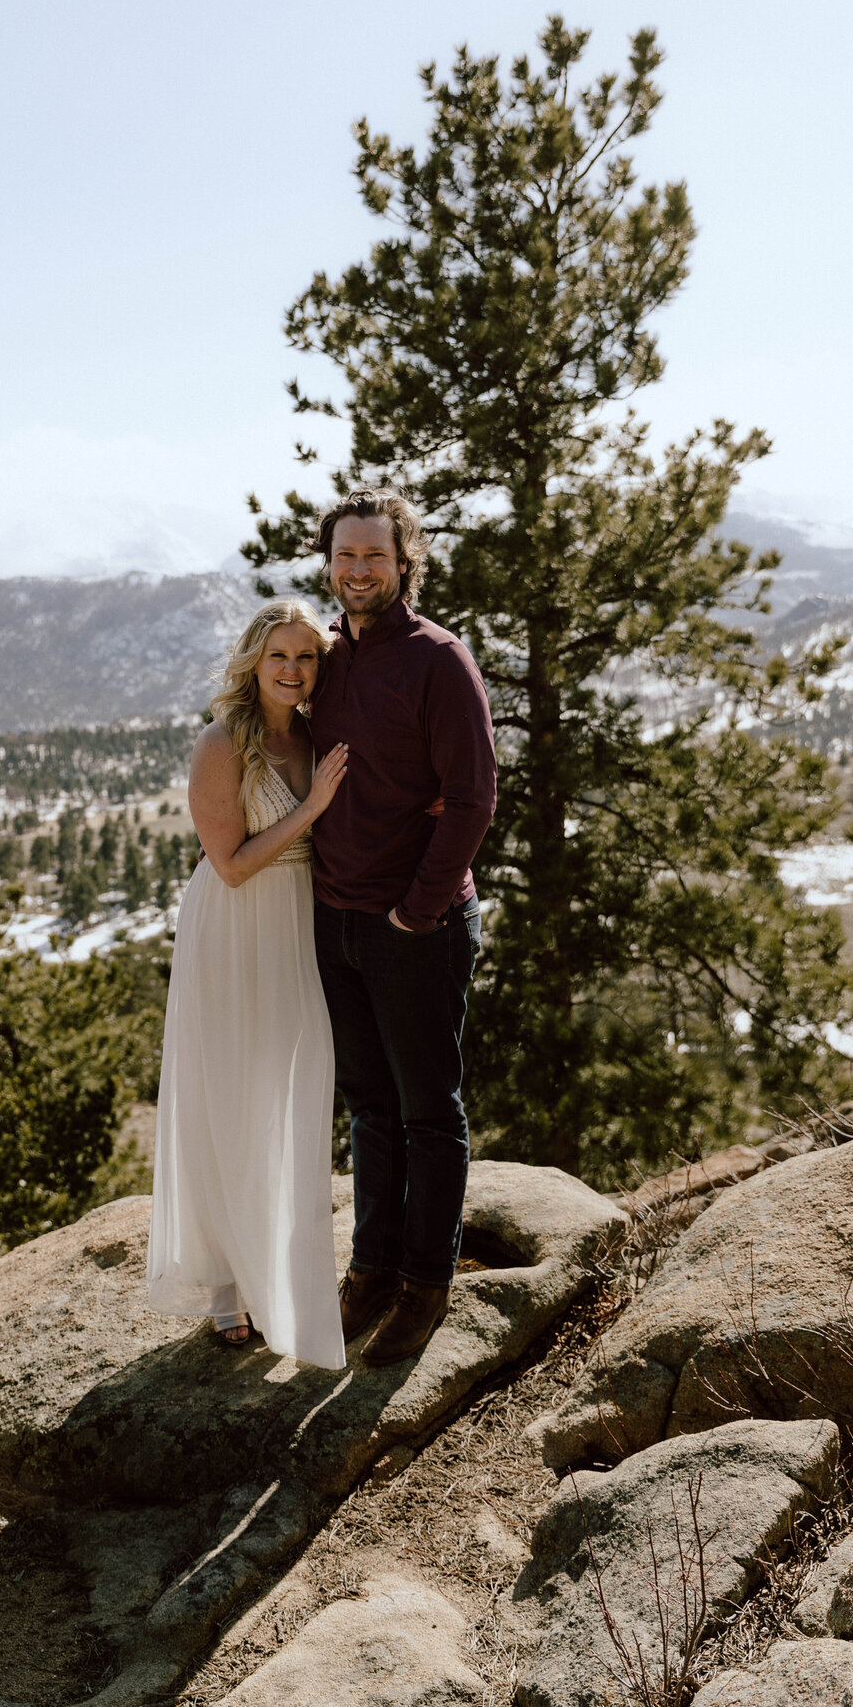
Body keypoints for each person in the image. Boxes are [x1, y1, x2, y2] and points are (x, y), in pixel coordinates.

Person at [310, 488, 497, 1366]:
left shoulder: (438, 660)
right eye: (345, 556)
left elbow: (472, 799)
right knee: (371, 1109)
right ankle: (372, 1271)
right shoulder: (326, 660)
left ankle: (426, 1285)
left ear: (404, 560)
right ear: (328, 563)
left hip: (414, 925)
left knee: (429, 1111)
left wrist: (415, 910)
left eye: (373, 556)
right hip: (336, 920)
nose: (357, 571)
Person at [146, 600, 349, 1370]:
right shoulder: (223, 742)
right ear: (252, 663)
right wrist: (316, 806)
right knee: (230, 1099)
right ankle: (227, 1286)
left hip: (302, 926)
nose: (294, 670)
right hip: (234, 925)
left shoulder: (315, 735)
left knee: (291, 1098)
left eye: (307, 658)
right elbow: (228, 864)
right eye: (279, 658)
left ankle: (284, 1277)